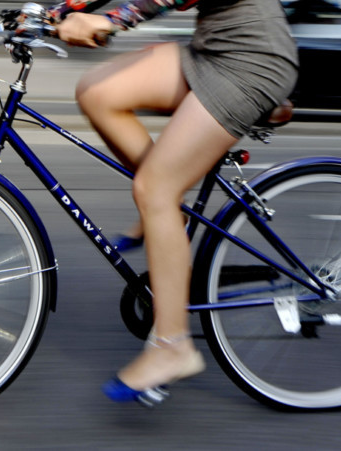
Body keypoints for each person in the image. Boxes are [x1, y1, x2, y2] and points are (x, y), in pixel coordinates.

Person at [49, 0, 299, 406]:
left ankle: (173, 346)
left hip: (251, 60)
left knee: (155, 190)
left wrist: (113, 19)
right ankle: (166, 217)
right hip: (212, 49)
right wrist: (54, 12)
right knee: (97, 91)